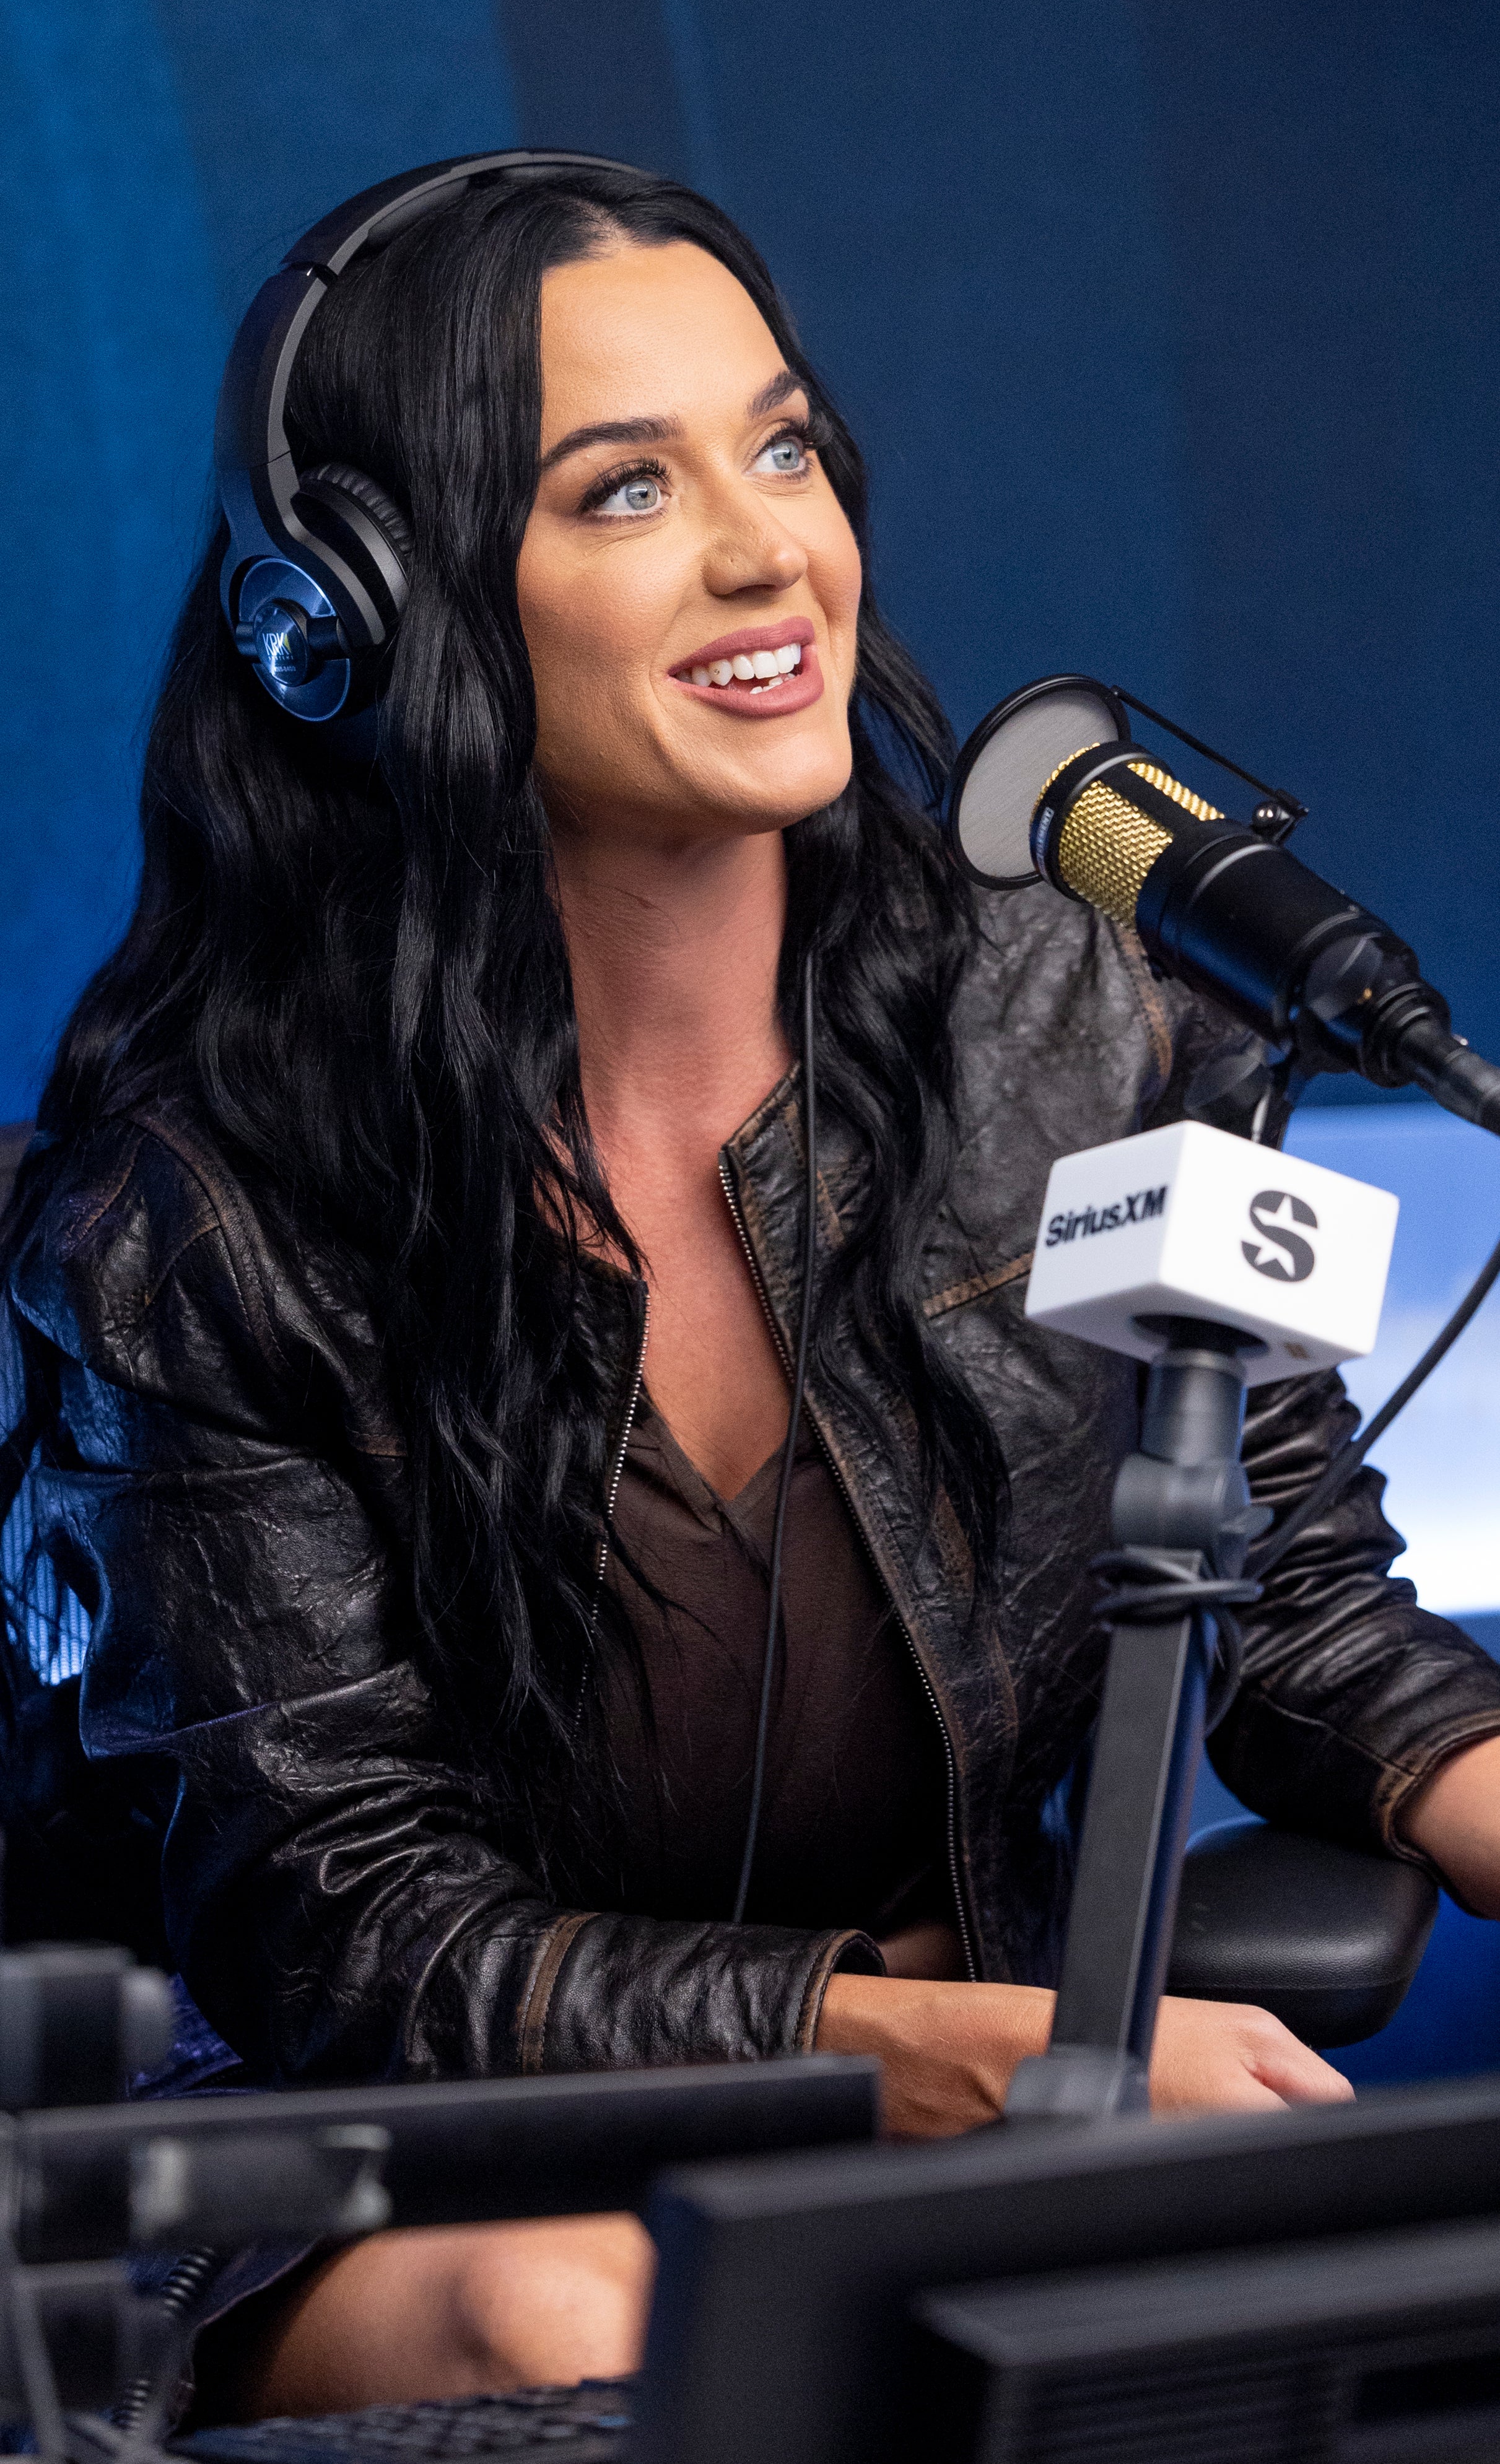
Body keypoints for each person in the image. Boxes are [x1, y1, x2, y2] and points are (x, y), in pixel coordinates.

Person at [6, 160, 1500, 2416]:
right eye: (623, 490)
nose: (764, 550)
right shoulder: (192, 1229)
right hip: (362, 2163)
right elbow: (360, 1943)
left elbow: (1279, 1593)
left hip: (941, 2112)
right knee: (605, 2327)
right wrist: (955, 2057)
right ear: (365, 615)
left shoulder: (1077, 1030)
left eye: (783, 447)